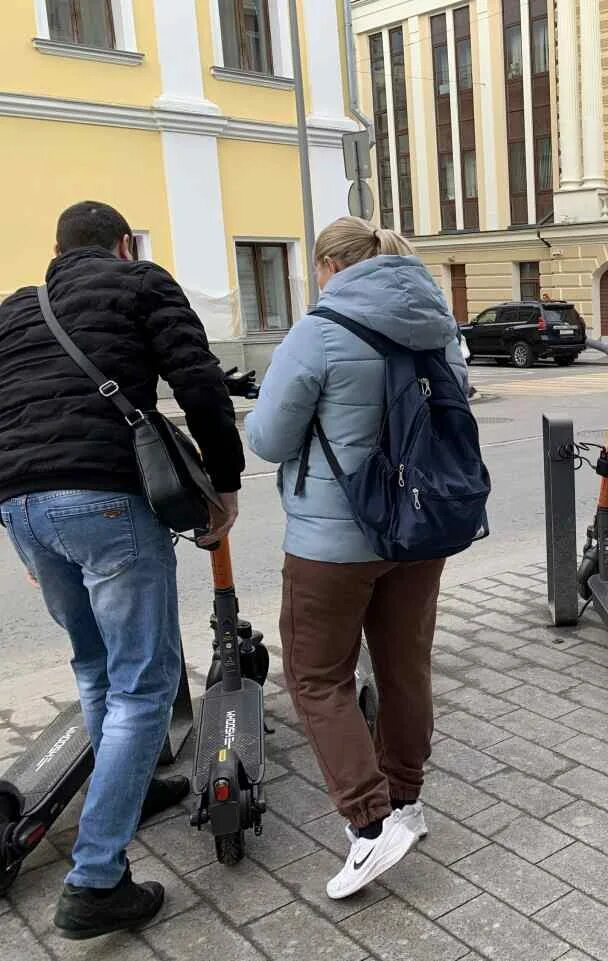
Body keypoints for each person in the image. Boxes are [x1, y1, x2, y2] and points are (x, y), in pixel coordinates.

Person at [0, 202, 242, 938]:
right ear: (123, 243)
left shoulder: (12, 310)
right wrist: (224, 484)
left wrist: (21, 530)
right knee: (142, 681)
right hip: (105, 496)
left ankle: (124, 790)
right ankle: (96, 877)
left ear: (54, 249)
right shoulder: (141, 282)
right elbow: (198, 381)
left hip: (24, 504)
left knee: (96, 669)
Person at [245, 217, 468, 899]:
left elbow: (268, 438)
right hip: (420, 528)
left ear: (330, 264)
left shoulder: (319, 331)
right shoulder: (438, 325)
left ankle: (369, 826)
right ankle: (406, 801)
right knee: (405, 667)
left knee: (317, 676)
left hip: (332, 541)